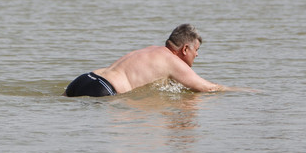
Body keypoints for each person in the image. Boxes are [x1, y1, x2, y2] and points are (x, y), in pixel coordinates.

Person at [64, 24, 231, 97]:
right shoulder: (171, 60)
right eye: (196, 50)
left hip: (84, 79)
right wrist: (241, 91)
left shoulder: (152, 49)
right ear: (185, 49)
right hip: (104, 89)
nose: (197, 55)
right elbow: (208, 88)